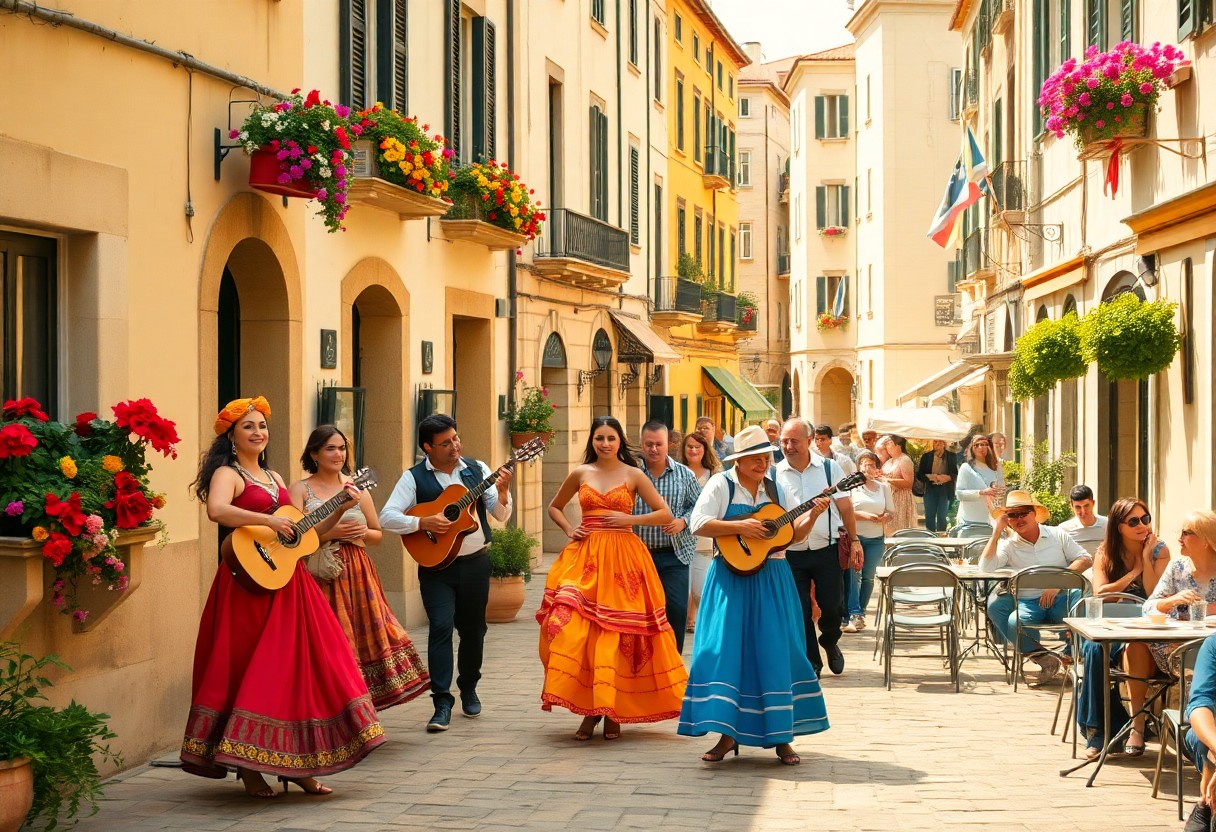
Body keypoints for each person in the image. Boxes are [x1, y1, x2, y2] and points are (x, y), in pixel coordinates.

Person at [181, 397, 384, 798]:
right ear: (231, 435)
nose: (259, 432)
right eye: (249, 427)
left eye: (262, 426)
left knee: (302, 668)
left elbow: (304, 534)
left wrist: (341, 504)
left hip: (287, 583)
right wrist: (268, 519)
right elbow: (218, 511)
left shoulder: (274, 477)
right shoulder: (228, 473)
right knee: (247, 669)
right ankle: (247, 766)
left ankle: (298, 765)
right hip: (245, 587)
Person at [680, 425, 831, 765]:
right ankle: (726, 734)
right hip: (729, 579)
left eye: (766, 458)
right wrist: (740, 526)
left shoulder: (776, 489)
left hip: (773, 577)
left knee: (778, 650)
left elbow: (791, 536)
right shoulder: (722, 484)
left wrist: (813, 515)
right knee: (725, 651)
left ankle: (782, 736)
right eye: (757, 459)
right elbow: (697, 523)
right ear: (741, 460)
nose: (764, 464)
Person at [538, 416, 687, 741]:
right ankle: (592, 709)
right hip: (584, 557)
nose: (605, 443)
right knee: (573, 627)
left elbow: (665, 514)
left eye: (611, 438)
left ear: (620, 441)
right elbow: (555, 507)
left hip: (624, 560)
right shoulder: (581, 473)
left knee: (618, 634)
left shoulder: (634, 474)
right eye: (599, 438)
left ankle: (608, 711)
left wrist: (628, 518)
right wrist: (568, 528)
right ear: (592, 440)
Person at [379, 414, 513, 733]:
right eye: (446, 442)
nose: (455, 446)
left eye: (456, 438)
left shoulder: (477, 470)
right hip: (436, 567)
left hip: (476, 563)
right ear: (428, 447)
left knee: (474, 631)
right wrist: (421, 523)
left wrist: (504, 491)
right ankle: (441, 701)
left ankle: (468, 686)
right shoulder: (413, 478)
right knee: (440, 627)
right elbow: (386, 516)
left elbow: (500, 515)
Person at [289, 425, 430, 711]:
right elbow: (293, 536)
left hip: (356, 569)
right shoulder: (299, 489)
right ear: (314, 453)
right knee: (327, 639)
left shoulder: (357, 488)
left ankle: (361, 705)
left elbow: (377, 535)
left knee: (365, 634)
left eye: (342, 448)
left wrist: (360, 534)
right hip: (315, 572)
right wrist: (332, 532)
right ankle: (329, 703)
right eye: (330, 448)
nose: (338, 454)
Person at [1075, 497, 1169, 760]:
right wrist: (1133, 572)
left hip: (1146, 631)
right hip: (1111, 627)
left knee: (1097, 653)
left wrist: (1147, 561)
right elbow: (1100, 595)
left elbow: (1154, 595)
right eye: (1133, 521)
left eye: (1145, 519)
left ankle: (1101, 733)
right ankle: (1099, 733)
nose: (1142, 525)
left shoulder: (1159, 549)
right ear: (1119, 526)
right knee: (1094, 650)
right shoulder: (1105, 553)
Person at [775, 418, 863, 675]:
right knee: (799, 610)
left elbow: (846, 508)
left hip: (827, 548)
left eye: (794, 441)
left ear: (810, 441)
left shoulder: (829, 468)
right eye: (784, 441)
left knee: (833, 606)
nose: (788, 446)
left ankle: (830, 640)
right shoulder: (774, 473)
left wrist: (855, 540)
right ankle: (812, 661)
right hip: (790, 553)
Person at [980, 491, 1092, 685]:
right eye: (1013, 515)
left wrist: (1058, 583)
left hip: (1060, 599)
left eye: (1023, 513)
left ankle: (1077, 657)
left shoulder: (1057, 534)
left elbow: (1085, 559)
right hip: (1028, 603)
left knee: (1082, 598)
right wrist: (996, 533)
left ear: (1034, 513)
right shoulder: (1009, 545)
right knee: (1012, 620)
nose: (1018, 518)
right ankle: (1044, 658)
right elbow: (985, 568)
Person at [634, 420, 703, 653]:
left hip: (675, 554)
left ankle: (673, 661)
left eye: (658, 444)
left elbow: (700, 507)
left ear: (669, 445)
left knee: (675, 608)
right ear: (641, 444)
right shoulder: (631, 475)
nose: (654, 449)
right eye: (649, 444)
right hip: (638, 555)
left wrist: (683, 521)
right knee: (641, 610)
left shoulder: (684, 475)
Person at [1143, 510, 1216, 678]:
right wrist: (1171, 601)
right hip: (1177, 647)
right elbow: (1147, 608)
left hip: (1212, 647)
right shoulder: (1177, 567)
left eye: (1186, 533)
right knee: (1135, 646)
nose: (1179, 538)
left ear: (1206, 540)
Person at [844, 451, 894, 633]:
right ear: (858, 467)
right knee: (854, 575)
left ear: (877, 469)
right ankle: (854, 613)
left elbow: (891, 511)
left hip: (876, 539)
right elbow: (845, 511)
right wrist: (863, 515)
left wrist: (885, 517)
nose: (867, 468)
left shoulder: (883, 488)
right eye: (864, 464)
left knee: (868, 577)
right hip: (855, 537)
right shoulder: (850, 487)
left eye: (871, 465)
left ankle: (860, 613)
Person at [683, 431, 722, 633]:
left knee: (700, 590)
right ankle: (690, 620)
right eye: (689, 446)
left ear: (705, 450)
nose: (693, 450)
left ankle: (705, 621)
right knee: (683, 589)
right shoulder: (677, 472)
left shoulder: (714, 476)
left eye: (698, 447)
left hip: (705, 540)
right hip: (680, 538)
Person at [1180, 630, 1216, 832]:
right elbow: (1200, 703)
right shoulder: (1214, 644)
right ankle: (1209, 804)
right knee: (1207, 741)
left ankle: (1205, 805)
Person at [954, 433, 1005, 528]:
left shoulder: (996, 468)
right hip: (969, 521)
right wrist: (982, 492)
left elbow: (1002, 490)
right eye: (976, 445)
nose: (980, 447)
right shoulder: (966, 468)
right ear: (972, 448)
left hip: (991, 520)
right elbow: (959, 494)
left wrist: (997, 493)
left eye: (984, 444)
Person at [916, 439, 958, 533]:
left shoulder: (951, 456)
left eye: (940, 441)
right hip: (930, 489)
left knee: (942, 516)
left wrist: (947, 477)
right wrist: (930, 477)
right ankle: (930, 536)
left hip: (945, 489)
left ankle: (941, 537)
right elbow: (919, 475)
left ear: (944, 443)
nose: (937, 444)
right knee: (929, 516)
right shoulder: (926, 456)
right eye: (935, 442)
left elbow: (956, 474)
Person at [877, 434, 916, 533]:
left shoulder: (904, 460)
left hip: (900, 499)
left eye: (889, 443)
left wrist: (887, 480)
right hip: (889, 498)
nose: (886, 446)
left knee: (899, 530)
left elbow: (909, 483)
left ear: (898, 445)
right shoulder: (889, 461)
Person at [1058, 485, 1108, 557]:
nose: (1083, 511)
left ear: (1093, 503)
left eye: (1086, 506)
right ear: (1071, 506)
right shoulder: (1064, 529)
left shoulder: (1108, 525)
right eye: (1078, 507)